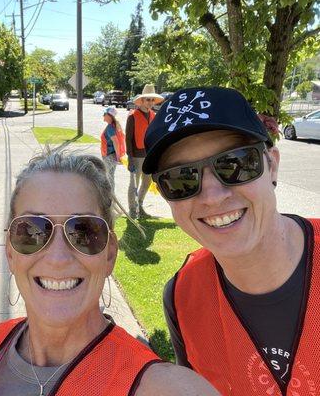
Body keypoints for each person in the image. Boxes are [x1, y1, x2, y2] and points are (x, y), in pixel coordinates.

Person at [0, 151, 219, 395]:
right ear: (10, 253)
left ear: (110, 253)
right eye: (32, 231)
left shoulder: (164, 388)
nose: (58, 258)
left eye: (85, 231)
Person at [142, 86, 319, 395]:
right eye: (181, 179)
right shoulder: (183, 297)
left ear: (272, 165)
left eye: (235, 163)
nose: (212, 197)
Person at [125, 84, 164, 219]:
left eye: (152, 100)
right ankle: (132, 210)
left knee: (147, 182)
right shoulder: (133, 116)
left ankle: (139, 206)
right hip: (136, 156)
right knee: (134, 184)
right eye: (148, 100)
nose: (150, 103)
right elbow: (128, 138)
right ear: (141, 101)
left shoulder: (154, 115)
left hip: (149, 155)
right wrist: (130, 157)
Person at [100, 106, 124, 192]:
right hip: (112, 155)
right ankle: (111, 197)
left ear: (109, 116)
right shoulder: (113, 126)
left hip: (109, 156)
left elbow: (116, 142)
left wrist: (118, 157)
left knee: (105, 176)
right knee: (110, 176)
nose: (103, 116)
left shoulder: (110, 127)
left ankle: (107, 197)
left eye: (104, 114)